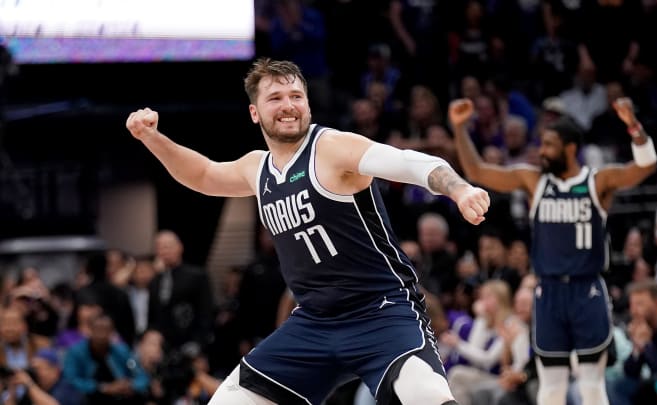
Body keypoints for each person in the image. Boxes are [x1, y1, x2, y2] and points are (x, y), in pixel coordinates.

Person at [125, 57, 490, 405]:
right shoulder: (257, 168)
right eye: (276, 98)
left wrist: (459, 188)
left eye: (296, 96)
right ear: (255, 112)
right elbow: (203, 175)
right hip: (315, 321)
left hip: (381, 310)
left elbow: (407, 161)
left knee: (426, 396)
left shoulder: (331, 148)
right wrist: (152, 138)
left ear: (309, 105)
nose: (288, 105)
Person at [449, 96, 657, 405]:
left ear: (570, 148)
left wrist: (634, 127)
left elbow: (646, 166)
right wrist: (460, 129)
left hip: (587, 289)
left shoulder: (597, 181)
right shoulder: (534, 181)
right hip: (548, 291)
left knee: (590, 383)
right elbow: (478, 172)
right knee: (551, 385)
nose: (542, 151)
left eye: (549, 145)